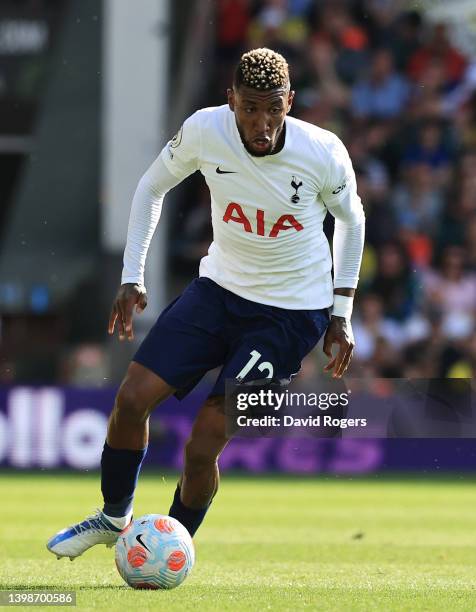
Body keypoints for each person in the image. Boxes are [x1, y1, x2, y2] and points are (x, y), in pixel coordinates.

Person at [47, 48, 365, 559]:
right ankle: (113, 518)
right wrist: (132, 275)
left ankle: (168, 550)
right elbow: (151, 188)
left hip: (289, 316)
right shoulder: (203, 130)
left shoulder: (322, 151)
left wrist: (341, 312)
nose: (261, 124)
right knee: (130, 400)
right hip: (217, 292)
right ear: (230, 100)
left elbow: (352, 220)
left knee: (202, 446)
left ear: (291, 102)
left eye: (273, 109)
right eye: (249, 109)